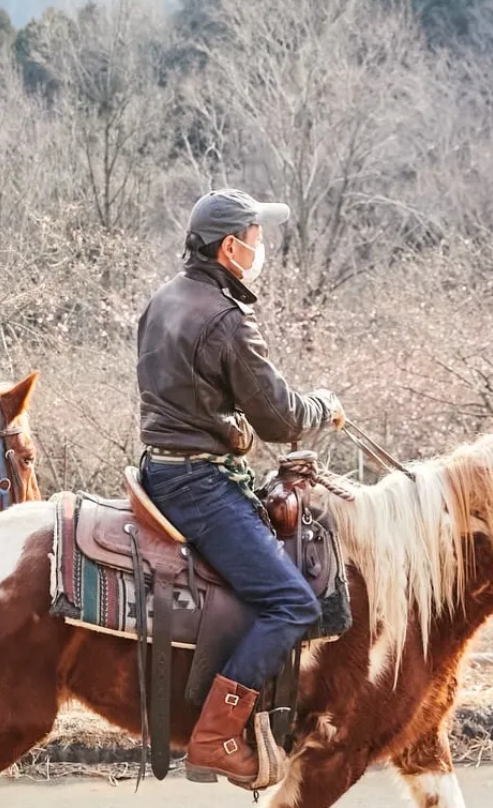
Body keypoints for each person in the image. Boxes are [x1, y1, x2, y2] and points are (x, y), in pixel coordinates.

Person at [135, 188, 345, 785]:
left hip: (159, 469)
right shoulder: (227, 319)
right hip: (200, 486)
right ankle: (217, 735)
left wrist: (226, 428)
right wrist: (324, 405)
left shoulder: (163, 300)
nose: (261, 247)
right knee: (293, 602)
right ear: (230, 247)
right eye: (256, 237)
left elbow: (184, 400)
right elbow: (280, 419)